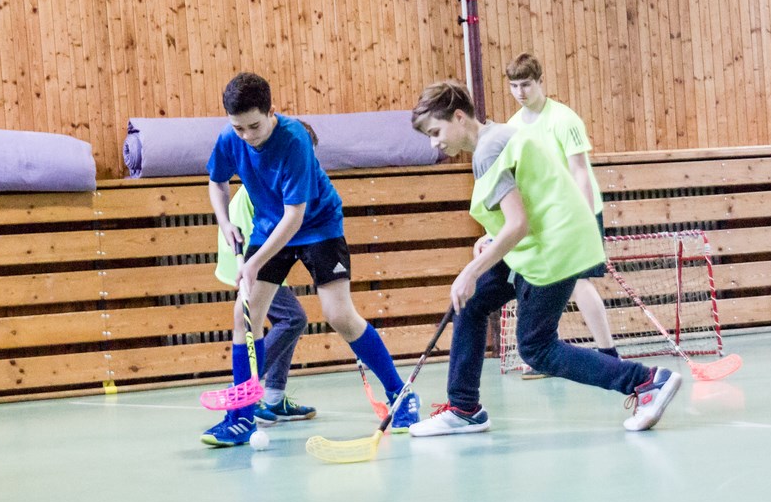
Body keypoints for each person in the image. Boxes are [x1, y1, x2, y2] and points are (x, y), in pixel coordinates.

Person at [406, 80, 681, 436]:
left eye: (435, 132)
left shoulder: (488, 151)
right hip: (542, 242)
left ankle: (646, 382)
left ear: (459, 117)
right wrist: (491, 239)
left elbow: (518, 224)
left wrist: (470, 271)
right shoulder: (501, 134)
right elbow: (533, 197)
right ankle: (464, 409)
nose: (434, 143)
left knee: (536, 347)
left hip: (553, 248)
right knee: (471, 303)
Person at [202, 72, 420, 446]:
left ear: (271, 112)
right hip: (269, 226)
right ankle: (241, 416)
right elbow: (217, 183)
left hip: (318, 225)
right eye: (239, 128)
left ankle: (401, 395)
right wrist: (224, 223)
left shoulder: (294, 139)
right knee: (245, 315)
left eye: (254, 126)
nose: (248, 136)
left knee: (339, 315)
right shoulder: (229, 138)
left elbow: (295, 216)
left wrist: (253, 263)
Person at [503, 53, 621, 374]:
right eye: (514, 86)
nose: (520, 92)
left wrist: (582, 219)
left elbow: (579, 170)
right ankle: (541, 353)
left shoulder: (564, 119)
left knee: (579, 282)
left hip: (577, 214)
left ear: (540, 82)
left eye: (526, 84)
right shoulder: (512, 127)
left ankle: (609, 352)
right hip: (544, 219)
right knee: (537, 280)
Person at [212, 184, 315, 427]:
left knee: (287, 319)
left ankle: (274, 396)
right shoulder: (278, 179)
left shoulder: (285, 176)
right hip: (249, 252)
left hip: (261, 251)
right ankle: (242, 387)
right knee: (292, 318)